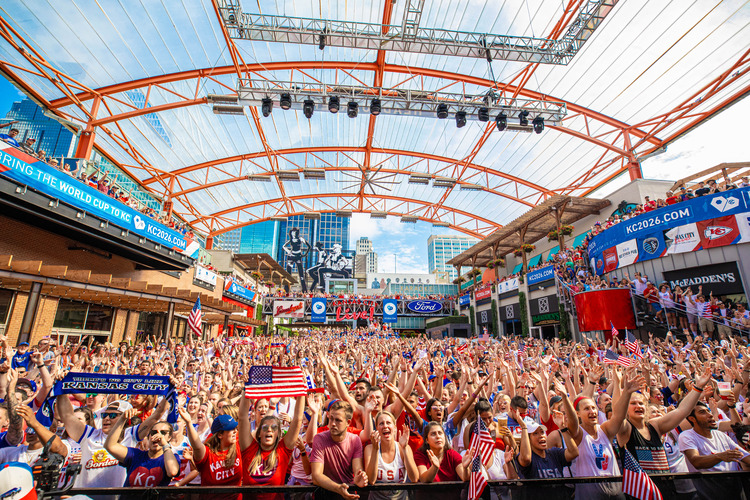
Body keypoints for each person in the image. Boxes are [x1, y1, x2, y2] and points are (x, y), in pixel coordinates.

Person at [570, 368, 645, 500]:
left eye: (593, 408)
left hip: (616, 494)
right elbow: (573, 418)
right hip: (590, 496)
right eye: (586, 409)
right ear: (578, 414)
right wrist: (591, 383)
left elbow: (619, 417)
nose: (592, 411)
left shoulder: (604, 430)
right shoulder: (577, 433)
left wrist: (626, 392)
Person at [238, 394, 306, 500]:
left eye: (274, 427)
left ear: (278, 433)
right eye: (265, 427)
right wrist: (245, 389)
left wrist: (301, 391)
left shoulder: (283, 450)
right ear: (259, 433)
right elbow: (242, 418)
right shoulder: (249, 449)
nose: (269, 430)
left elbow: (297, 419)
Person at [679, 401, 750, 499]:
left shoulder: (720, 435)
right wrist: (719, 456)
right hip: (710, 494)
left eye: (708, 411)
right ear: (692, 419)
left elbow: (746, 457)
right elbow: (696, 461)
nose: (710, 415)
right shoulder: (686, 436)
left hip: (734, 491)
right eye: (702, 412)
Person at [103, 409, 179, 489]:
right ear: (149, 436)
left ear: (169, 437)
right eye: (154, 433)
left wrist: (164, 444)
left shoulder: (171, 458)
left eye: (163, 433)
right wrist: (122, 420)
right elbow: (110, 446)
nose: (158, 436)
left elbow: (172, 472)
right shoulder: (135, 455)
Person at [310, 400, 368, 500]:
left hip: (348, 492)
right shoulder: (319, 439)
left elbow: (357, 469)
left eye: (338, 420)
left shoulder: (355, 440)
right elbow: (316, 476)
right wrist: (338, 488)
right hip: (325, 493)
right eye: (331, 419)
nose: (332, 424)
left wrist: (360, 477)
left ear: (348, 422)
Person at [179, 408, 242, 498]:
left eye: (235, 428)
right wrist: (189, 423)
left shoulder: (238, 447)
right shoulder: (208, 452)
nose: (235, 431)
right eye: (231, 429)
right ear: (220, 435)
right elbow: (197, 446)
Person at [364, 411, 419, 500]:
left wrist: (405, 449)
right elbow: (371, 480)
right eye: (381, 423)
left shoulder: (403, 448)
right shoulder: (370, 449)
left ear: (394, 427)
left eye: (388, 423)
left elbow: (414, 478)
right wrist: (375, 449)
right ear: (377, 428)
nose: (385, 426)